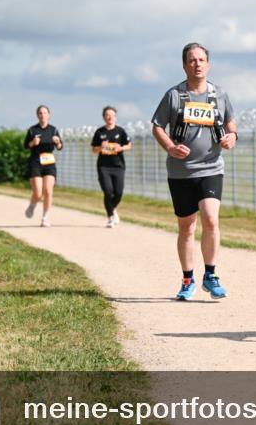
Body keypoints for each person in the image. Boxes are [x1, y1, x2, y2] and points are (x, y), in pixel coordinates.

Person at [151, 42, 238, 300]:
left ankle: (211, 275)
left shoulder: (219, 95)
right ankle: (187, 279)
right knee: (187, 227)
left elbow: (230, 123)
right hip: (181, 171)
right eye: (192, 60)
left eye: (201, 60)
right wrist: (169, 146)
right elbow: (157, 125)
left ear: (208, 64)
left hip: (211, 167)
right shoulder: (174, 96)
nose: (197, 64)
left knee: (211, 219)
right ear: (184, 65)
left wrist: (232, 136)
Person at [90, 106, 132, 228]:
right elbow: (93, 149)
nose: (110, 117)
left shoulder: (120, 131)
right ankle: (110, 218)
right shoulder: (100, 132)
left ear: (115, 117)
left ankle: (112, 209)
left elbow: (129, 145)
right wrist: (101, 148)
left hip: (118, 166)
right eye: (107, 115)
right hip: (104, 166)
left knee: (118, 192)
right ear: (104, 117)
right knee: (108, 191)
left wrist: (121, 148)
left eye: (112, 115)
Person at [24, 105, 63, 227]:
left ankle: (45, 217)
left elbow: (60, 147)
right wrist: (32, 142)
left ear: (49, 115)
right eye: (40, 113)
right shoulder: (32, 130)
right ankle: (32, 205)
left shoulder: (54, 130)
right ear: (37, 115)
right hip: (35, 162)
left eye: (45, 113)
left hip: (49, 162)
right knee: (38, 192)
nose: (43, 115)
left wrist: (58, 142)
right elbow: (26, 146)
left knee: (48, 190)